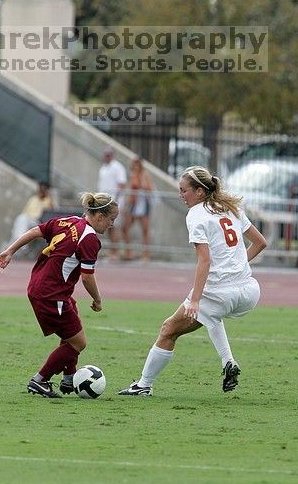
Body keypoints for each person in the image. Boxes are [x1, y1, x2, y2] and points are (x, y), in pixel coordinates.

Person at [118, 166, 267, 396]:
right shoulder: (231, 207)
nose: (180, 195)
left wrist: (195, 300)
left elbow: (204, 261)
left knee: (168, 330)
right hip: (249, 292)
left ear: (199, 191)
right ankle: (228, 362)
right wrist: (238, 266)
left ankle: (143, 385)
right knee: (213, 314)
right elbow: (260, 243)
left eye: (183, 190)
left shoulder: (196, 214)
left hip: (219, 293)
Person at [0, 192, 119, 398]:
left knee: (72, 322)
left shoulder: (68, 221)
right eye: (111, 219)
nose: (112, 225)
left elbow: (36, 230)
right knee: (79, 342)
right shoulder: (90, 239)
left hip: (41, 285)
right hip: (50, 294)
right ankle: (40, 380)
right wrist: (97, 299)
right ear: (99, 217)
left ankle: (69, 377)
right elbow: (87, 278)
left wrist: (10, 251)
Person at [9, 182, 54, 257]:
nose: (41, 191)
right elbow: (25, 211)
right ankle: (22, 246)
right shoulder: (33, 199)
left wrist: (48, 198)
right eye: (40, 190)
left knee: (21, 221)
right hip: (27, 220)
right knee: (21, 219)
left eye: (43, 190)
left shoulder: (48, 200)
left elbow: (51, 213)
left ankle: (19, 244)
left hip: (38, 222)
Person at [97, 148, 127, 260]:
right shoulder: (103, 168)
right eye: (105, 154)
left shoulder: (117, 167)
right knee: (107, 226)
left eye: (108, 155)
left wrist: (115, 201)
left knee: (115, 227)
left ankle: (115, 252)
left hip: (114, 202)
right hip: (104, 202)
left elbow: (121, 184)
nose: (107, 156)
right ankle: (111, 252)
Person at [123, 157, 154, 261]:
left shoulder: (145, 175)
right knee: (126, 227)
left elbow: (149, 188)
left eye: (137, 164)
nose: (135, 167)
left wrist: (140, 183)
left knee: (145, 230)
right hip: (134, 204)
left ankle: (146, 254)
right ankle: (129, 252)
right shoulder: (132, 175)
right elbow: (131, 189)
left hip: (143, 204)